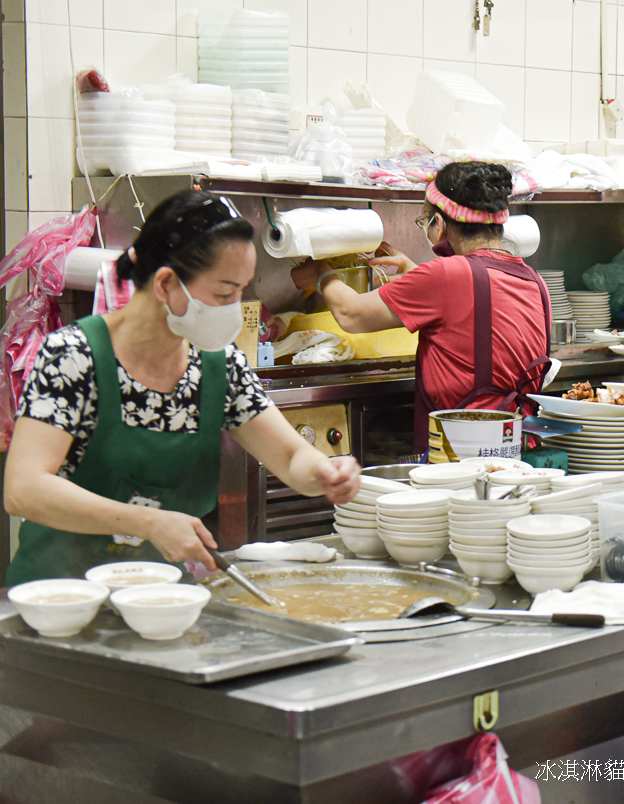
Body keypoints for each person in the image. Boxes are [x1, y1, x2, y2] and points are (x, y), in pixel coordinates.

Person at [3, 192, 361, 585]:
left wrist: (325, 472)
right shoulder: (74, 356)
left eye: (242, 290)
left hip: (160, 601)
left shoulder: (219, 367)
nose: (235, 307)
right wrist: (148, 523)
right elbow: (24, 488)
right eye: (224, 294)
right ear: (167, 283)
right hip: (60, 601)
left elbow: (291, 458)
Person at [291, 161, 551, 457]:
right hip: (517, 446)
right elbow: (476, 309)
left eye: (424, 221)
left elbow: (351, 314)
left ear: (438, 225)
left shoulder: (445, 275)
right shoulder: (533, 279)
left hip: (461, 452)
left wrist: (321, 274)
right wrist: (414, 272)